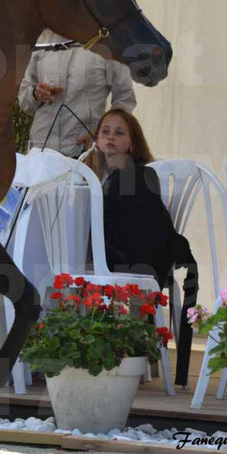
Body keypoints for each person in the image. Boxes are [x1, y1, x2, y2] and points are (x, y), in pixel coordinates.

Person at [87, 107, 199, 387]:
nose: (111, 137)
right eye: (105, 131)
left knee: (67, 267)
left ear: (132, 143)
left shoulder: (136, 176)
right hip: (124, 257)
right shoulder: (94, 175)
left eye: (119, 132)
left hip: (134, 259)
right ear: (96, 140)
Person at [18, 31, 136, 157]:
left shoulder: (108, 43)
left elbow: (125, 99)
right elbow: (24, 102)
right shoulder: (44, 41)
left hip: (83, 152)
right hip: (39, 151)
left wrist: (101, 133)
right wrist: (35, 94)